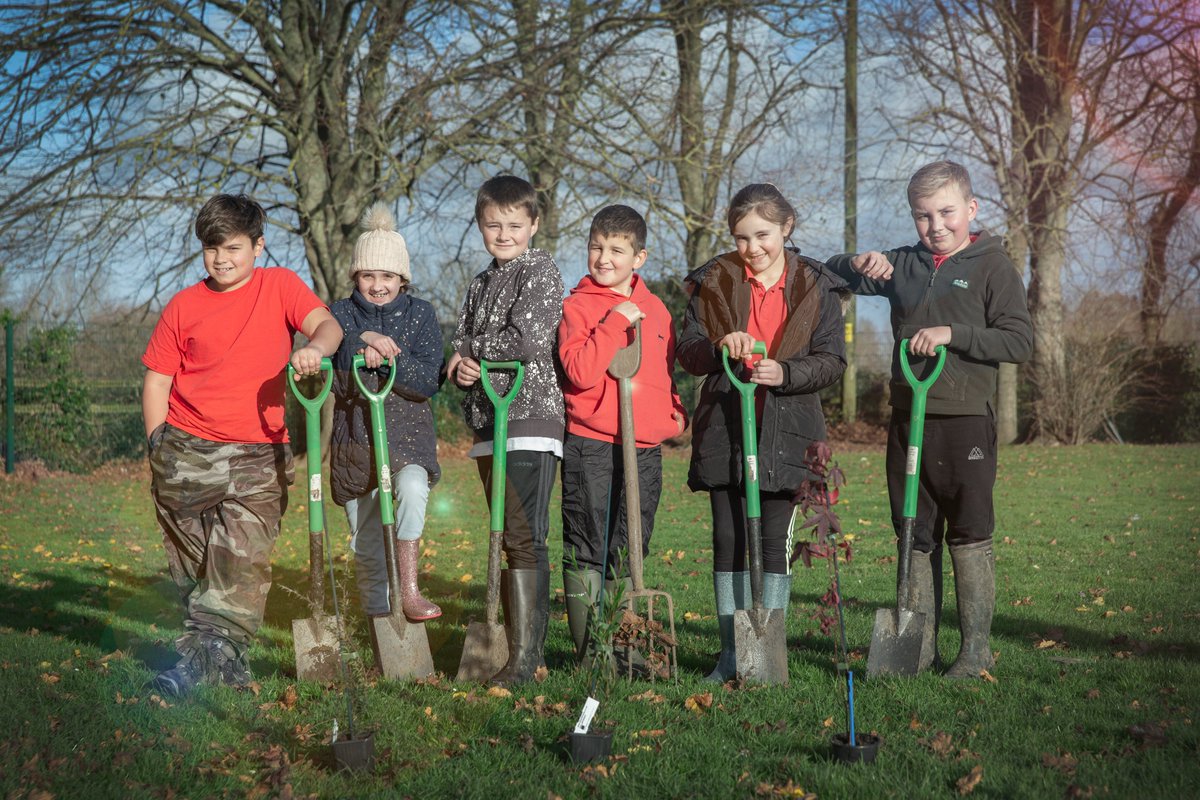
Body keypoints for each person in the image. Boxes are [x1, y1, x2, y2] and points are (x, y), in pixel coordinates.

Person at [825, 160, 1032, 678]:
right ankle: (916, 649)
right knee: (914, 531)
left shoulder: (993, 266)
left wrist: (952, 333)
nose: (936, 226)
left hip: (964, 422)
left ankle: (975, 651)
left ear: (971, 209)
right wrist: (858, 260)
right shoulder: (906, 265)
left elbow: (1019, 341)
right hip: (907, 418)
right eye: (923, 216)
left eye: (946, 212)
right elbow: (829, 274)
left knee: (968, 530)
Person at [142, 193, 343, 697]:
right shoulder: (184, 305)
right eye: (211, 248)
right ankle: (221, 660)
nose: (221, 258)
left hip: (260, 454)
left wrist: (314, 348)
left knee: (242, 561)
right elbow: (157, 380)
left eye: (232, 246)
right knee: (198, 567)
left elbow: (327, 325)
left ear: (258, 245)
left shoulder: (280, 286)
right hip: (186, 452)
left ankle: (198, 662)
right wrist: (156, 443)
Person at [677, 183, 847, 683]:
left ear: (786, 228)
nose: (752, 248)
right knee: (728, 538)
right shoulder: (714, 280)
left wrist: (785, 373)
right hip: (726, 426)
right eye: (741, 237)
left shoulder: (815, 285)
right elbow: (687, 352)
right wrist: (718, 348)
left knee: (773, 541)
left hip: (788, 429)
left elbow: (832, 360)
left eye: (763, 235)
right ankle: (731, 655)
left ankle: (766, 654)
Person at [557, 204, 688, 668]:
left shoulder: (657, 311)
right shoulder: (577, 306)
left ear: (640, 257)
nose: (604, 258)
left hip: (645, 447)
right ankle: (593, 654)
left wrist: (674, 414)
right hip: (592, 442)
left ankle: (620, 643)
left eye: (617, 249)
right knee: (587, 543)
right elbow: (579, 370)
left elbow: (664, 372)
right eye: (596, 247)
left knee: (628, 544)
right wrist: (614, 321)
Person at [446, 175, 565, 686]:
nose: (504, 234)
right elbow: (458, 344)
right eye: (493, 225)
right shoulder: (479, 282)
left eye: (515, 225)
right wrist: (459, 367)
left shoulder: (540, 271)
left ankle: (526, 656)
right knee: (504, 535)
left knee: (523, 534)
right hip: (488, 420)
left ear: (533, 224)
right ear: (480, 226)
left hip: (531, 418)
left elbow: (528, 341)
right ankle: (510, 644)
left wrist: (472, 349)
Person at [329, 203, 443, 628]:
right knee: (365, 533)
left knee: (412, 492)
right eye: (369, 276)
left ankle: (409, 590)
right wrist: (364, 341)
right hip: (356, 438)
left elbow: (429, 378)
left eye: (388, 276)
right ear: (356, 276)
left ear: (402, 279)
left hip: (407, 436)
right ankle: (378, 613)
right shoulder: (340, 314)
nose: (378, 286)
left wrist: (387, 360)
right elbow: (338, 375)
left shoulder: (422, 315)